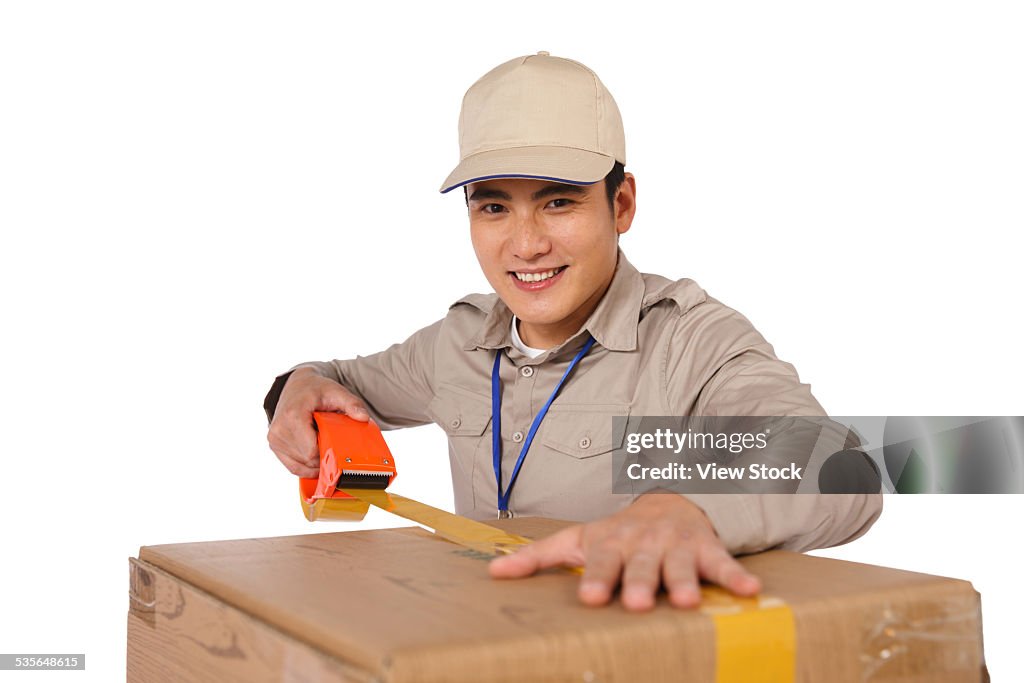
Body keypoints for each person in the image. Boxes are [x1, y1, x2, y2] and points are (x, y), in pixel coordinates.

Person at [264, 52, 882, 612]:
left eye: (559, 202)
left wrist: (686, 509)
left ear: (621, 205)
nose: (527, 245)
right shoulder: (456, 344)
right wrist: (297, 386)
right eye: (494, 206)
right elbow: (337, 383)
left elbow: (839, 466)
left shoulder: (690, 342)